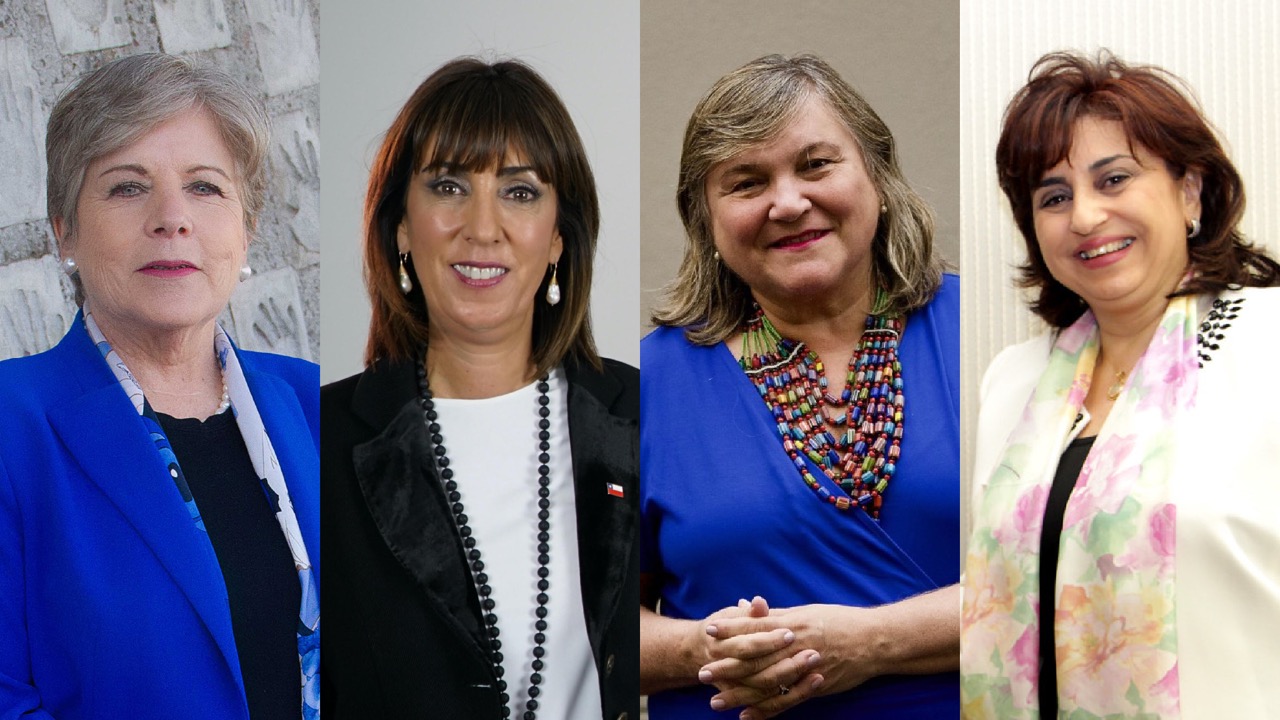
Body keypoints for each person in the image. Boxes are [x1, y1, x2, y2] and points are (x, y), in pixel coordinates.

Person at [961, 51, 1280, 719]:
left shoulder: (1269, 345)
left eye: (1114, 179)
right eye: (1053, 196)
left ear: (1189, 191)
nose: (1084, 216)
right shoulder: (1013, 384)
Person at [640, 54, 960, 720]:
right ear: (705, 218)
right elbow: (582, 625)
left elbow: (1069, 578)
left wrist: (873, 643)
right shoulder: (643, 387)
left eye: (816, 165)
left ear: (876, 174)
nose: (788, 203)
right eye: (746, 182)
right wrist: (714, 646)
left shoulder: (988, 337)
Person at [0, 54, 320, 719]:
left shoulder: (321, 403)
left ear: (247, 226)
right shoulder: (13, 425)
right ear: (65, 230)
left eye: (205, 188)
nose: (172, 217)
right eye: (127, 187)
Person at [320, 57, 638, 720]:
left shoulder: (641, 415)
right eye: (447, 186)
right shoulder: (320, 436)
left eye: (519, 192)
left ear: (558, 238)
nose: (483, 227)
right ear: (401, 226)